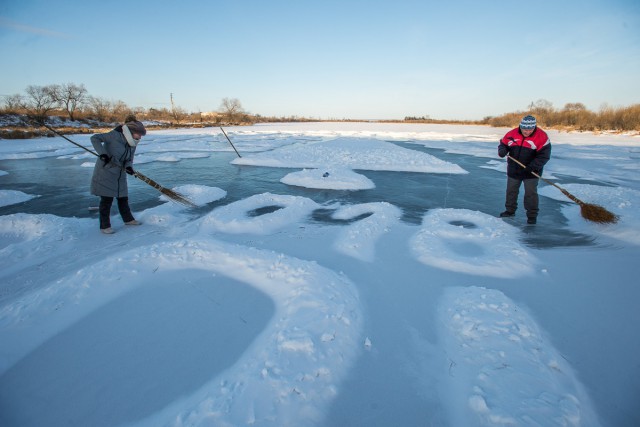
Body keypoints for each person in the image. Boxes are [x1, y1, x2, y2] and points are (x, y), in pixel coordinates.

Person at [90, 115, 147, 234]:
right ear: (131, 131)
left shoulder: (133, 142)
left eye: (142, 134)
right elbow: (94, 138)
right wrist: (103, 154)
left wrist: (129, 167)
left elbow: (129, 158)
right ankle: (104, 226)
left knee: (123, 198)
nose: (140, 137)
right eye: (139, 134)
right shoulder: (114, 135)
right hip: (106, 171)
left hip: (120, 173)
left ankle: (128, 220)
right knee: (106, 199)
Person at [497, 115, 551, 225]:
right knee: (511, 191)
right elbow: (503, 144)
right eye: (524, 129)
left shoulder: (542, 137)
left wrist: (532, 167)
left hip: (532, 172)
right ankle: (510, 211)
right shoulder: (512, 133)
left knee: (530, 194)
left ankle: (532, 216)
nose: (527, 132)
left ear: (534, 127)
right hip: (514, 169)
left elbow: (544, 156)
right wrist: (502, 150)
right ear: (520, 127)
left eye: (530, 130)